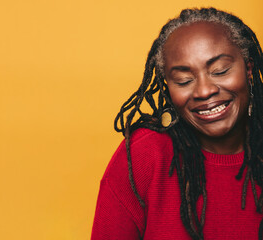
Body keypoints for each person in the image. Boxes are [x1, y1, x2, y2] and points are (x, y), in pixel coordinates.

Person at [91, 7, 263, 240]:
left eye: (220, 71)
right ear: (167, 88)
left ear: (249, 69)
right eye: (184, 81)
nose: (204, 90)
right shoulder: (143, 156)